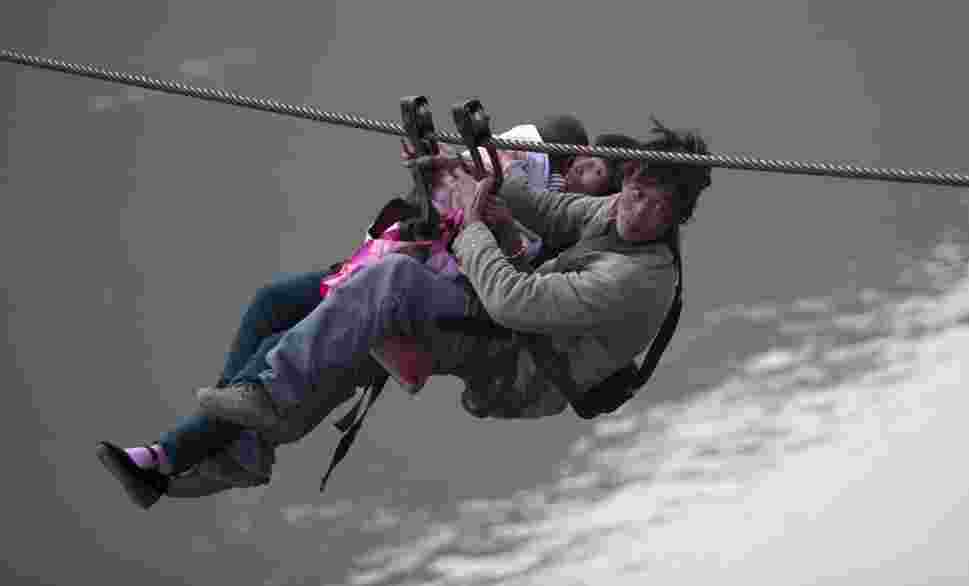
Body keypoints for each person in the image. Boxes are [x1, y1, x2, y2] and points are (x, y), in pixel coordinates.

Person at [94, 116, 633, 507]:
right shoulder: (532, 175)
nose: (581, 170)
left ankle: (164, 457)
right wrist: (436, 176)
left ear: (605, 191)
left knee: (278, 359)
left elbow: (519, 278)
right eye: (579, 160)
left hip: (438, 299)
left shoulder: (580, 230)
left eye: (593, 170)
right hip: (403, 261)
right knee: (274, 302)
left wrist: (497, 221)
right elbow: (442, 212)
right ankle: (212, 452)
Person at [182, 119, 711, 488]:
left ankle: (269, 399)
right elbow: (551, 210)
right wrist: (459, 172)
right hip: (523, 335)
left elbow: (513, 300)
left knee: (392, 284)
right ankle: (252, 445)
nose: (639, 214)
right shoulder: (618, 209)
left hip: (527, 371)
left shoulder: (637, 276)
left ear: (676, 219)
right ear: (632, 181)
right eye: (638, 194)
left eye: (658, 209)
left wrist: (473, 225)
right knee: (369, 323)